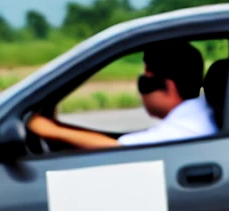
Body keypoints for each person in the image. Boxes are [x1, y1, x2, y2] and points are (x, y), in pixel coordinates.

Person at [26, 40, 216, 150]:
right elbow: (120, 139)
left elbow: (119, 150)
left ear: (168, 86)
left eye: (144, 83)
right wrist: (57, 126)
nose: (141, 94)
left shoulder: (185, 128)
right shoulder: (199, 113)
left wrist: (50, 131)